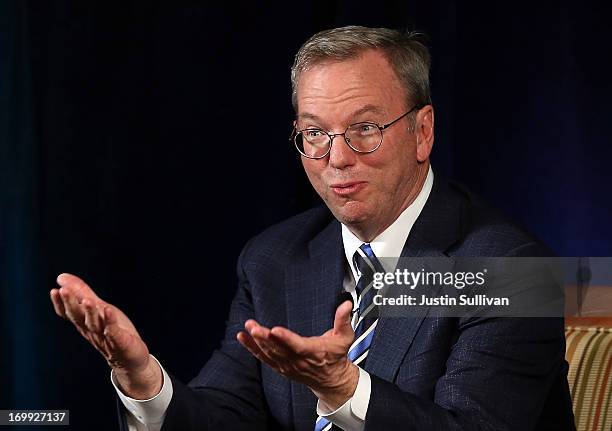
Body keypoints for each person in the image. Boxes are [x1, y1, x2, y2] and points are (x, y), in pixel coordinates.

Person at [49, 26, 575, 430]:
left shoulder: (510, 269)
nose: (336, 158)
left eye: (364, 129)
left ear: (423, 131)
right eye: (315, 133)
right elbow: (226, 417)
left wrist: (343, 387)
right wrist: (144, 381)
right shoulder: (277, 258)